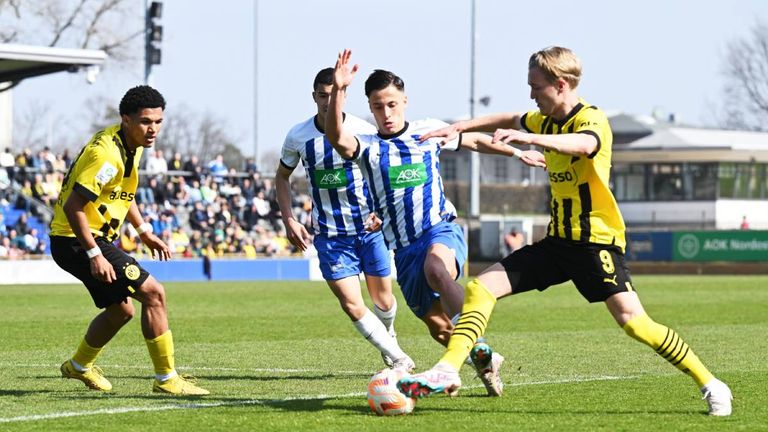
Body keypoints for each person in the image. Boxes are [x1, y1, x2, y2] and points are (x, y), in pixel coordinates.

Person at [398, 46, 732, 416]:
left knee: (635, 324)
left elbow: (584, 145)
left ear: (560, 85)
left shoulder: (591, 119)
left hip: (595, 245)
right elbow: (511, 116)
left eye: (536, 87)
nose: (531, 94)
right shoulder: (543, 118)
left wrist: (532, 139)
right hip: (557, 243)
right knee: (480, 286)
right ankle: (448, 369)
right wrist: (463, 125)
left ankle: (711, 383)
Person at [325, 49, 545, 396]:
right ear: (370, 108)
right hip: (402, 248)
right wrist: (338, 91)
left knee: (437, 269)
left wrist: (518, 153)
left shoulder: (428, 131)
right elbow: (336, 135)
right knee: (439, 327)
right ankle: (485, 362)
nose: (387, 113)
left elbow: (473, 140)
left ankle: (477, 347)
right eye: (379, 106)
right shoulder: (366, 146)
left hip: (439, 229)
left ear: (405, 101)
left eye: (393, 104)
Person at [49, 85, 209, 395]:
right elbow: (73, 207)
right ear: (126, 119)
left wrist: (144, 230)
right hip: (78, 239)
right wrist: (95, 254)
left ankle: (78, 366)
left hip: (82, 239)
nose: (153, 130)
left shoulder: (127, 145)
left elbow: (122, 192)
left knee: (121, 311)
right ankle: (167, 379)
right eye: (146, 122)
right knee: (154, 294)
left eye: (159, 121)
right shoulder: (106, 154)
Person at [276, 67, 414, 371]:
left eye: (333, 95)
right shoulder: (298, 136)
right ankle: (398, 357)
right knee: (352, 304)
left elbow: (382, 172)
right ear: (314, 97)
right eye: (322, 96)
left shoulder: (362, 130)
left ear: (344, 95)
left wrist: (381, 211)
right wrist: (289, 219)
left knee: (385, 301)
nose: (328, 101)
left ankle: (388, 334)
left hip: (369, 230)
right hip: (330, 235)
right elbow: (282, 178)